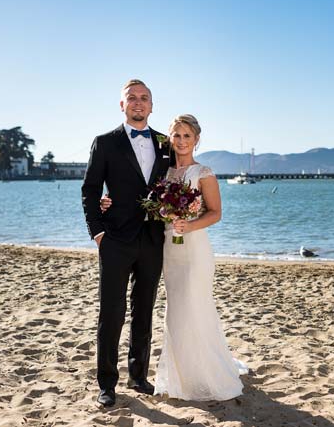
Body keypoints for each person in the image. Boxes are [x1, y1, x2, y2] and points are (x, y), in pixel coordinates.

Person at [101, 114, 247, 401]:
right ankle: (182, 375)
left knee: (197, 305)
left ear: (196, 139)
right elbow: (132, 190)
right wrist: (106, 199)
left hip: (194, 249)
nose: (181, 141)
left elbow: (216, 213)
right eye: (176, 135)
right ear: (169, 139)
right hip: (167, 248)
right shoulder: (163, 172)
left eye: (187, 136)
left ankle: (207, 373)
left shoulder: (203, 172)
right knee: (175, 311)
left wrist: (189, 224)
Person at [81, 79, 172, 408]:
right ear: (122, 105)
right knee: (112, 312)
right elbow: (90, 189)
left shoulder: (166, 144)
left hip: (153, 239)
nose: (137, 103)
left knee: (144, 310)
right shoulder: (105, 143)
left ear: (152, 105)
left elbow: (171, 187)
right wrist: (98, 232)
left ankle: (138, 376)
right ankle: (106, 383)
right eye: (131, 98)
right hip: (115, 239)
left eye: (144, 98)